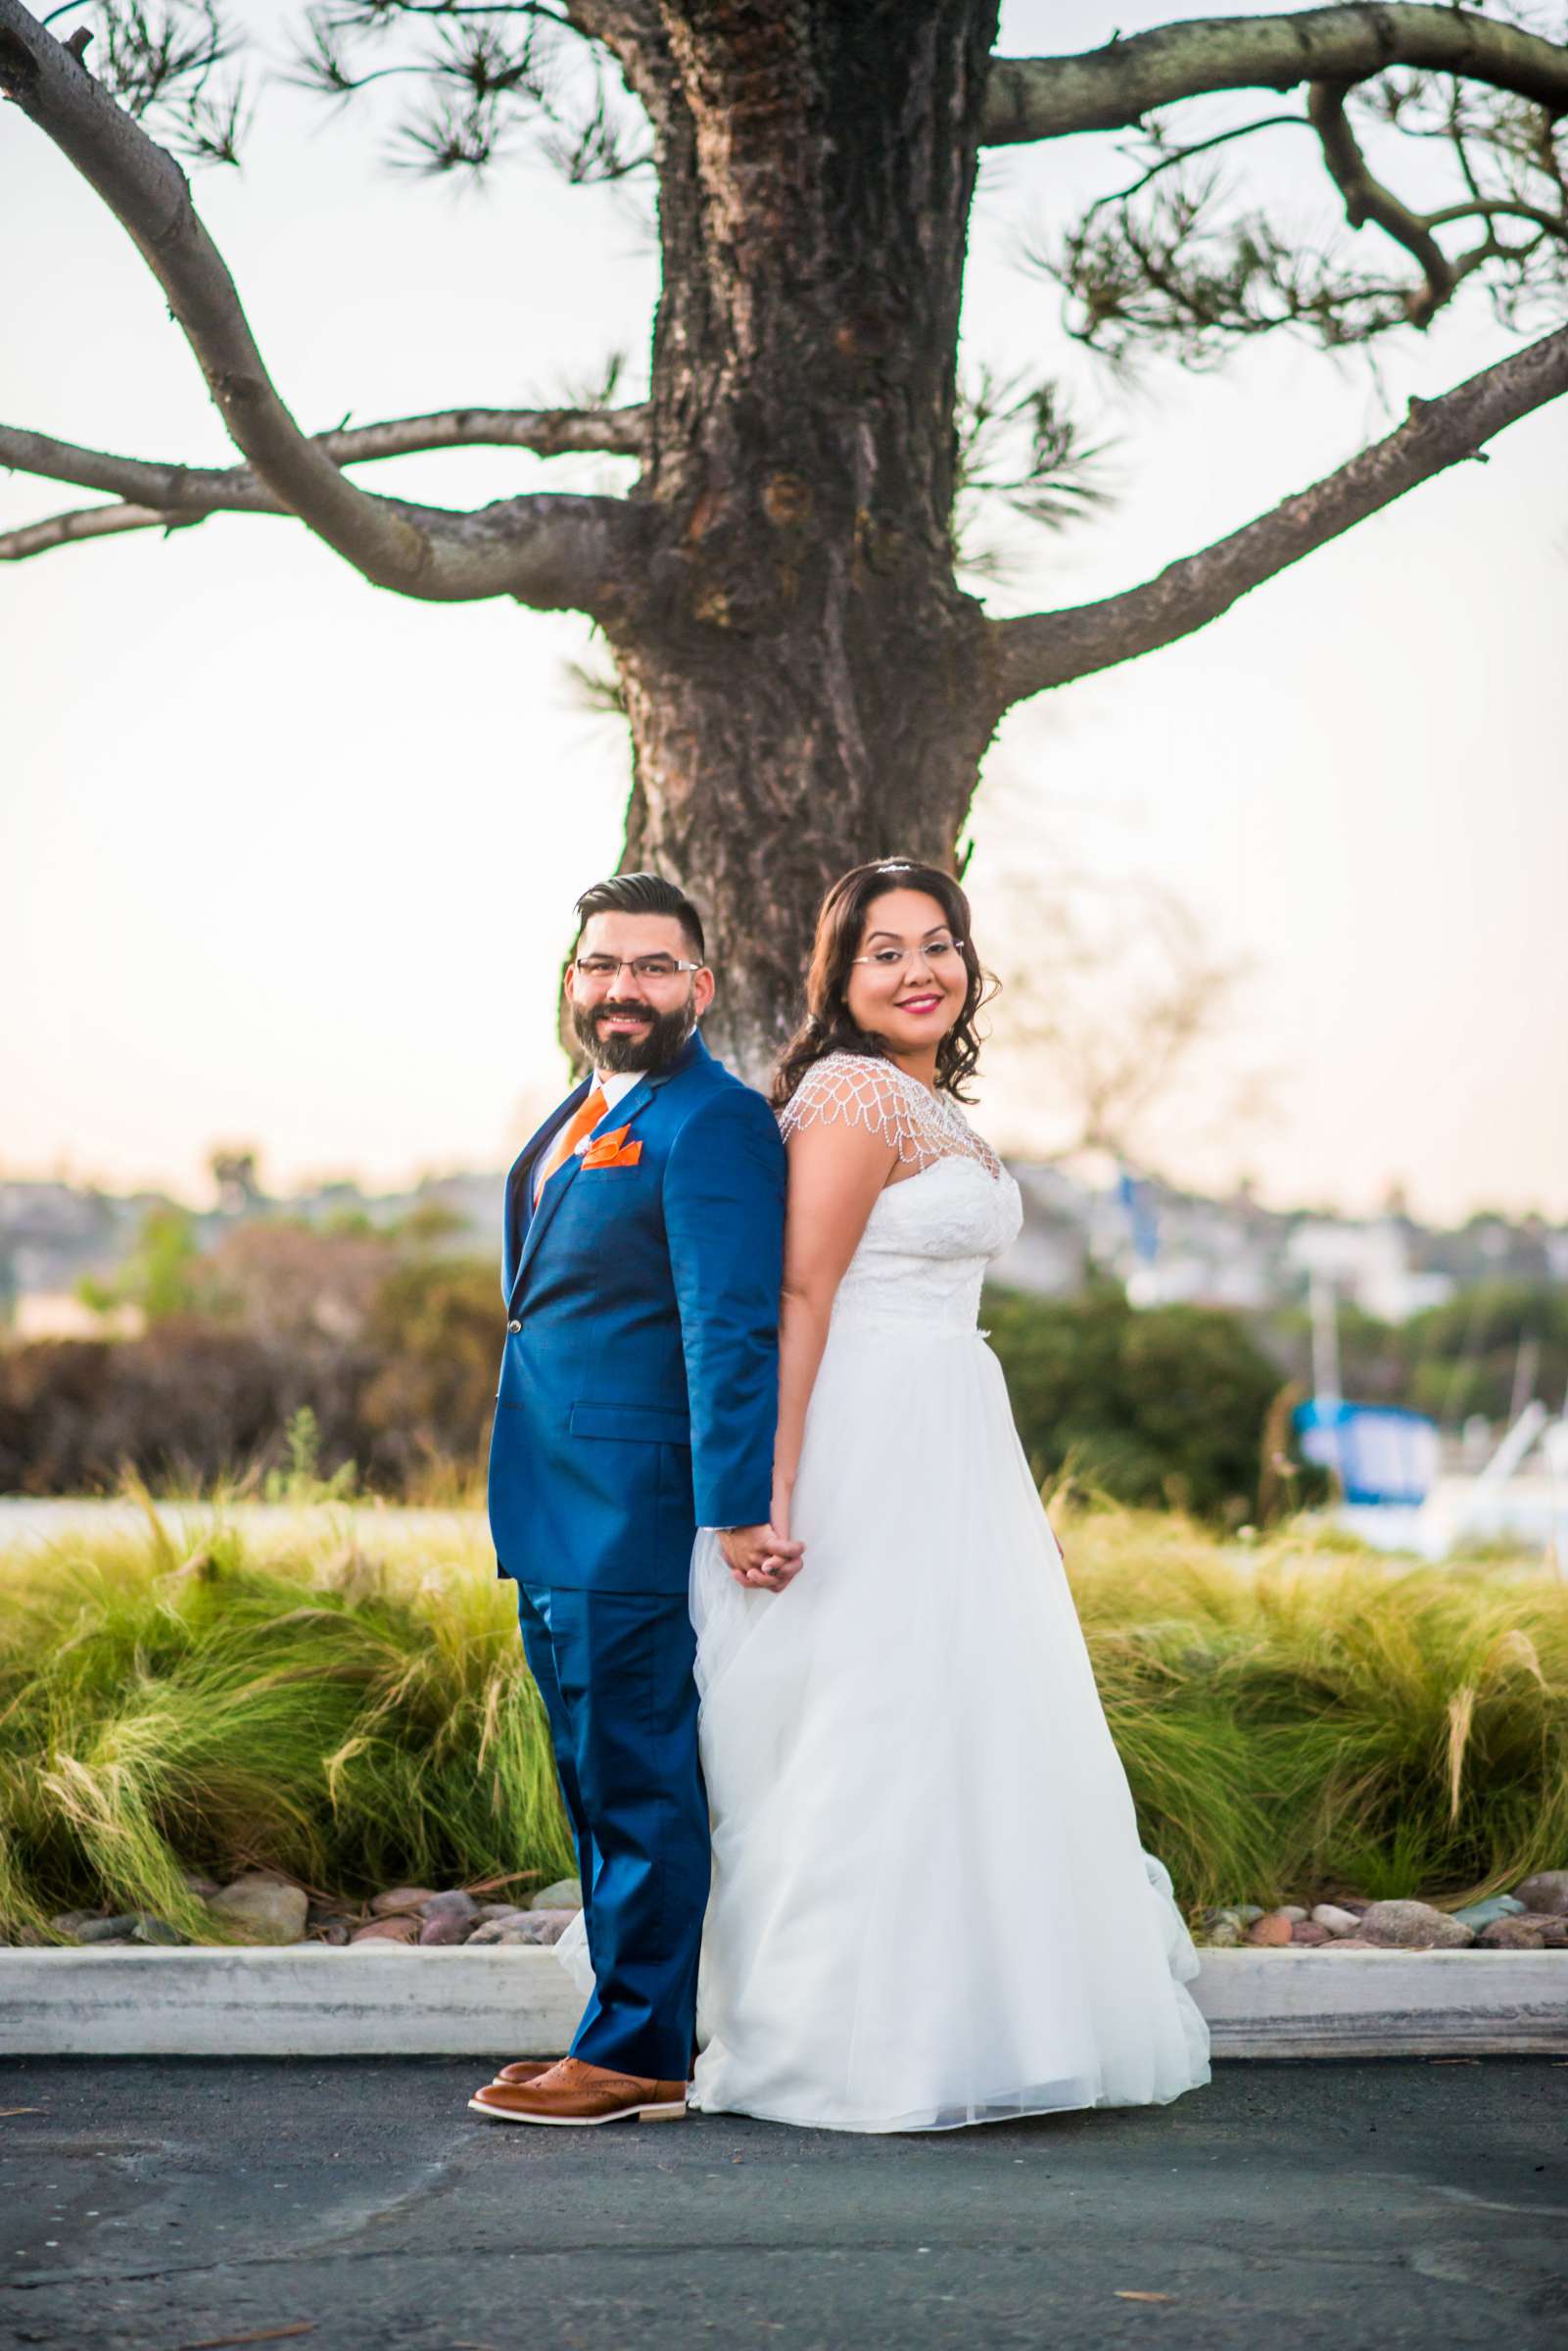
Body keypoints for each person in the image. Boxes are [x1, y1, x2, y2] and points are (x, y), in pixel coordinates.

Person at [680, 857, 1212, 2132]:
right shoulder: (854, 1092)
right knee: (873, 1715)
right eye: (886, 952)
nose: (920, 970)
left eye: (939, 944)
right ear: (841, 978)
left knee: (960, 1715)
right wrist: (769, 1489)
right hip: (867, 1428)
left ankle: (976, 2018)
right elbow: (800, 1294)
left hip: (951, 1431)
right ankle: (845, 2037)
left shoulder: (935, 1101)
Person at [469, 872, 799, 2130]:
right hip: (552, 1500)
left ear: (698, 988)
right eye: (601, 966)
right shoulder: (577, 1113)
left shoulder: (707, 1121)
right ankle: (617, 2023)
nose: (623, 989)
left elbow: (728, 1323)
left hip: (636, 1505)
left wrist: (734, 1505)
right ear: (572, 983)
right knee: (593, 1776)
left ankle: (638, 2054)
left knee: (639, 1780)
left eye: (652, 967)